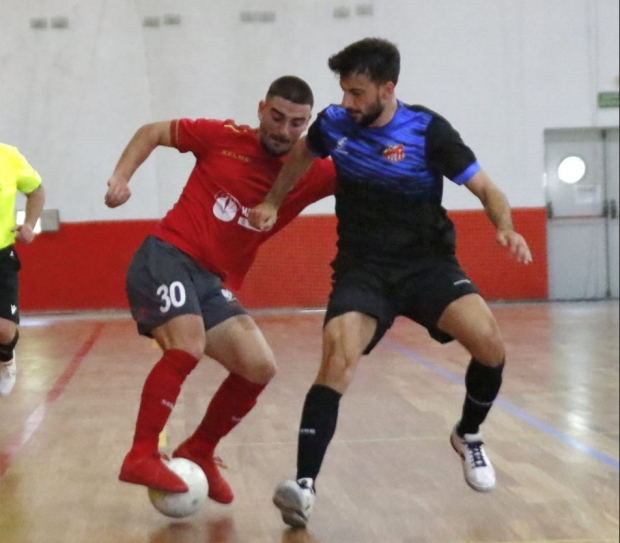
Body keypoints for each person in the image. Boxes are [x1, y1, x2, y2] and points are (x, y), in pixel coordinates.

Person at [249, 38, 532, 528]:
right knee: (337, 357)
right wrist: (274, 200)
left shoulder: (428, 131)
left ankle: (467, 434)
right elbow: (300, 158)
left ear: (387, 88)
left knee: (489, 343)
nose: (346, 103)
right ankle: (304, 486)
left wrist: (504, 225)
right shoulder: (335, 124)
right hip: (364, 270)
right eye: (343, 91)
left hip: (427, 265)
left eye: (357, 93)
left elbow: (486, 188)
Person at [104, 76, 335, 504]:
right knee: (186, 344)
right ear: (261, 108)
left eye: (297, 123)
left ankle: (200, 449)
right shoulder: (221, 136)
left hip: (210, 281)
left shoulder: (315, 170)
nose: (283, 131)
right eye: (277, 117)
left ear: (308, 124)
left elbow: (370, 175)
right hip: (166, 256)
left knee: (259, 366)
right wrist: (121, 178)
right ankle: (140, 454)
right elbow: (152, 131)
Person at [0, 144, 45, 397]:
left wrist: (29, 223)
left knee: (4, 328)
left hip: (1, 254)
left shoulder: (8, 156)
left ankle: (6, 359)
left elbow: (36, 191)